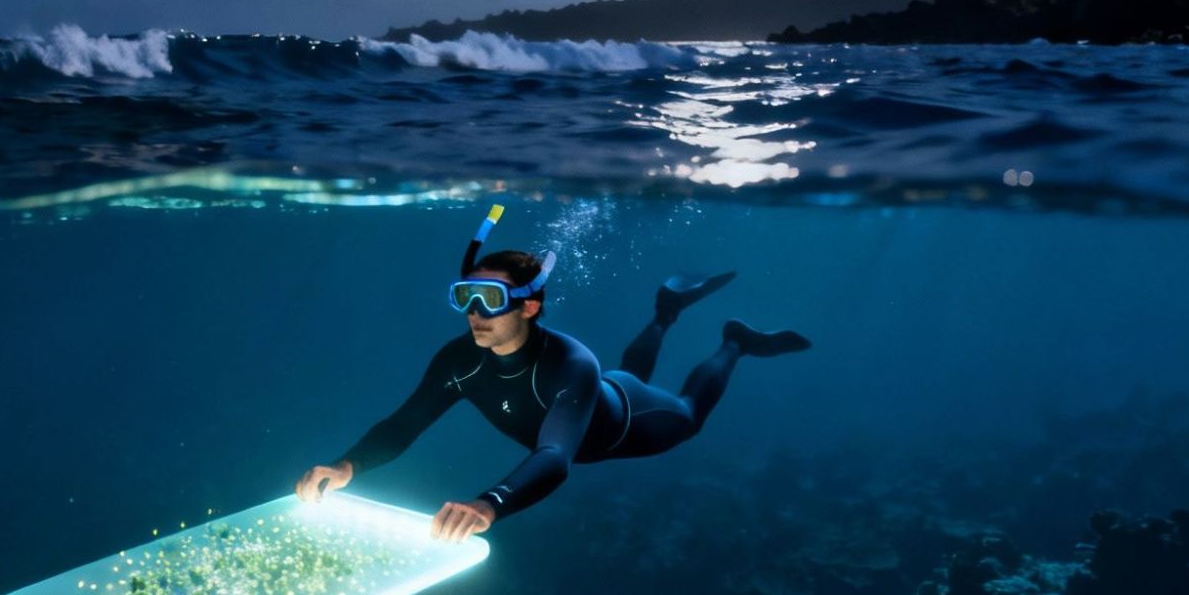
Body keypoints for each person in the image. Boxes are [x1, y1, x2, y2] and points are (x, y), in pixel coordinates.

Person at [293, 205, 810, 542]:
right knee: (629, 369)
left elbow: (556, 456)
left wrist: (489, 504)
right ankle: (666, 310)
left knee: (689, 414)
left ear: (530, 306)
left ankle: (734, 342)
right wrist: (347, 467)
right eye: (465, 296)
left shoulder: (571, 364)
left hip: (626, 419)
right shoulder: (459, 358)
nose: (474, 311)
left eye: (490, 299)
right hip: (596, 393)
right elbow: (405, 423)